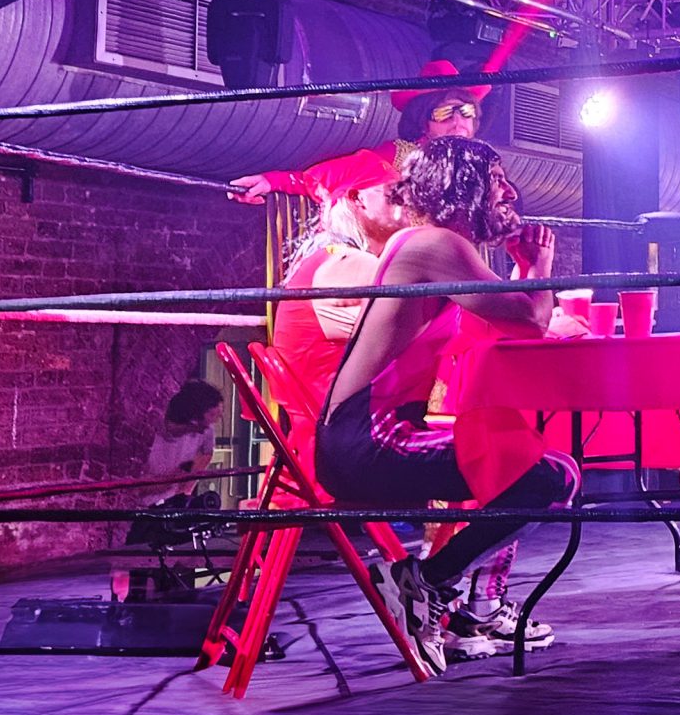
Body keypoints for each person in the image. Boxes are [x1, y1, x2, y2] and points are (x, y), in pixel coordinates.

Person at [319, 136, 580, 672]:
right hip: (366, 442)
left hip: (372, 435)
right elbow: (531, 320)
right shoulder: (434, 245)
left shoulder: (434, 245)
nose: (510, 193)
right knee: (546, 477)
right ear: (464, 187)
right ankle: (429, 582)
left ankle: (443, 588)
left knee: (538, 469)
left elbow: (514, 325)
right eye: (497, 180)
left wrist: (526, 275)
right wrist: (540, 264)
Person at [226, 58, 490, 207]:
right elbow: (328, 178)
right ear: (424, 123)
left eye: (466, 111)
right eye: (445, 113)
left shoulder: (481, 168)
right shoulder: (400, 157)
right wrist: (273, 182)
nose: (458, 121)